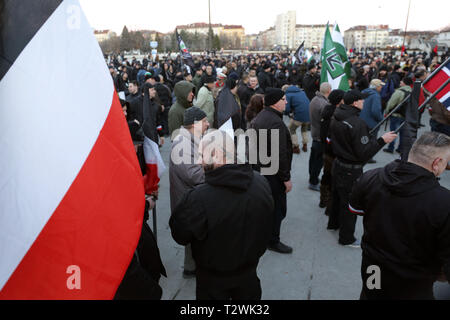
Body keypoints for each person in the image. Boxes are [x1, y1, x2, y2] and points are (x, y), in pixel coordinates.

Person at [169, 130, 274, 300]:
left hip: (212, 284)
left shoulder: (198, 198)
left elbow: (180, 235)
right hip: (249, 278)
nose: (198, 161)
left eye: (202, 155)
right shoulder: (261, 182)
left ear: (217, 154)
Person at [350, 132, 450, 299]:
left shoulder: (371, 177)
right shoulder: (444, 203)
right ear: (436, 163)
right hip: (413, 285)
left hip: (372, 271)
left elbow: (355, 208)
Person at [327, 89, 397, 247]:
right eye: (361, 100)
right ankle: (346, 238)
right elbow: (364, 153)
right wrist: (382, 141)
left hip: (338, 163)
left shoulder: (337, 115)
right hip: (350, 168)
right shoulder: (356, 123)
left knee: (337, 196)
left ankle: (333, 224)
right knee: (349, 203)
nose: (364, 102)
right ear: (355, 103)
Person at [251, 88, 293, 254]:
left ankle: (264, 235)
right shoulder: (275, 122)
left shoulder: (261, 117)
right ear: (275, 102)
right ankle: (273, 240)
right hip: (273, 174)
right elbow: (280, 154)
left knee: (267, 206)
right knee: (277, 209)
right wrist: (286, 178)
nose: (286, 102)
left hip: (262, 169)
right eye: (284, 99)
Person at [170, 107, 209, 279]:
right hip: (189, 200)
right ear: (195, 124)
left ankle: (191, 267)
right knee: (194, 236)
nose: (208, 124)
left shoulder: (189, 139)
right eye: (205, 121)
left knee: (194, 237)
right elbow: (193, 174)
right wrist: (214, 169)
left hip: (191, 198)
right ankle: (192, 269)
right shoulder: (182, 143)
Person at [319, 90, 345, 211]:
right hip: (334, 152)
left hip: (326, 150)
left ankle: (323, 200)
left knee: (326, 174)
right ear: (340, 101)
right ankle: (330, 205)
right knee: (334, 179)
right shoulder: (337, 115)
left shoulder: (327, 112)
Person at [308, 83, 331, 191]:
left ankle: (312, 178)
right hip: (320, 135)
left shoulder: (315, 99)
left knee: (313, 158)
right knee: (318, 161)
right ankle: (313, 181)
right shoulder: (324, 104)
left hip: (315, 133)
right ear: (329, 91)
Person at [383, 77, 413, 154]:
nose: (400, 82)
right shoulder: (412, 92)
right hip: (406, 115)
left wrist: (387, 112)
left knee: (393, 132)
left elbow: (391, 103)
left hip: (396, 115)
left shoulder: (399, 92)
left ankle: (391, 147)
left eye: (401, 81)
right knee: (403, 133)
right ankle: (401, 148)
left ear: (404, 83)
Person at [360, 79, 385, 163]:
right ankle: (368, 157)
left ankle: (360, 155)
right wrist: (381, 119)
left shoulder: (363, 92)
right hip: (371, 123)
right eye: (380, 86)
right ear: (377, 86)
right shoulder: (375, 96)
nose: (381, 87)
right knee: (371, 141)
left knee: (362, 139)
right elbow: (376, 111)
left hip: (361, 120)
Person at [284, 84, 310, 154]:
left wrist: (287, 113)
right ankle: (305, 145)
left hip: (299, 117)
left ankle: (296, 147)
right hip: (308, 116)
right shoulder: (302, 92)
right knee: (304, 130)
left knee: (292, 129)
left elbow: (287, 109)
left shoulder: (288, 95)